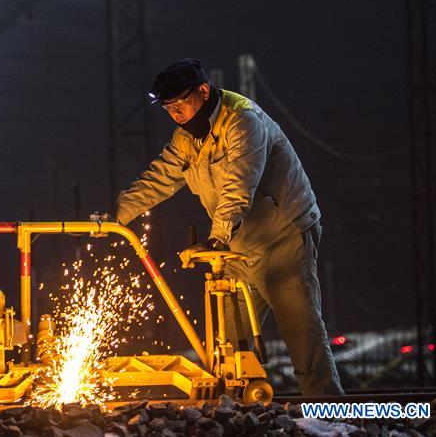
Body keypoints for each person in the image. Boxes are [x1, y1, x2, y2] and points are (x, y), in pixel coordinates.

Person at [112, 58, 343, 396]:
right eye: (167, 107)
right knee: (230, 347)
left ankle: (330, 418)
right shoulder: (185, 139)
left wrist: (217, 239)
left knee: (302, 336)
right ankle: (238, 411)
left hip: (282, 240)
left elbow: (239, 187)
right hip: (236, 248)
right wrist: (114, 218)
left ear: (203, 92)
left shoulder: (243, 121)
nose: (174, 113)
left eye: (179, 104)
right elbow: (158, 179)